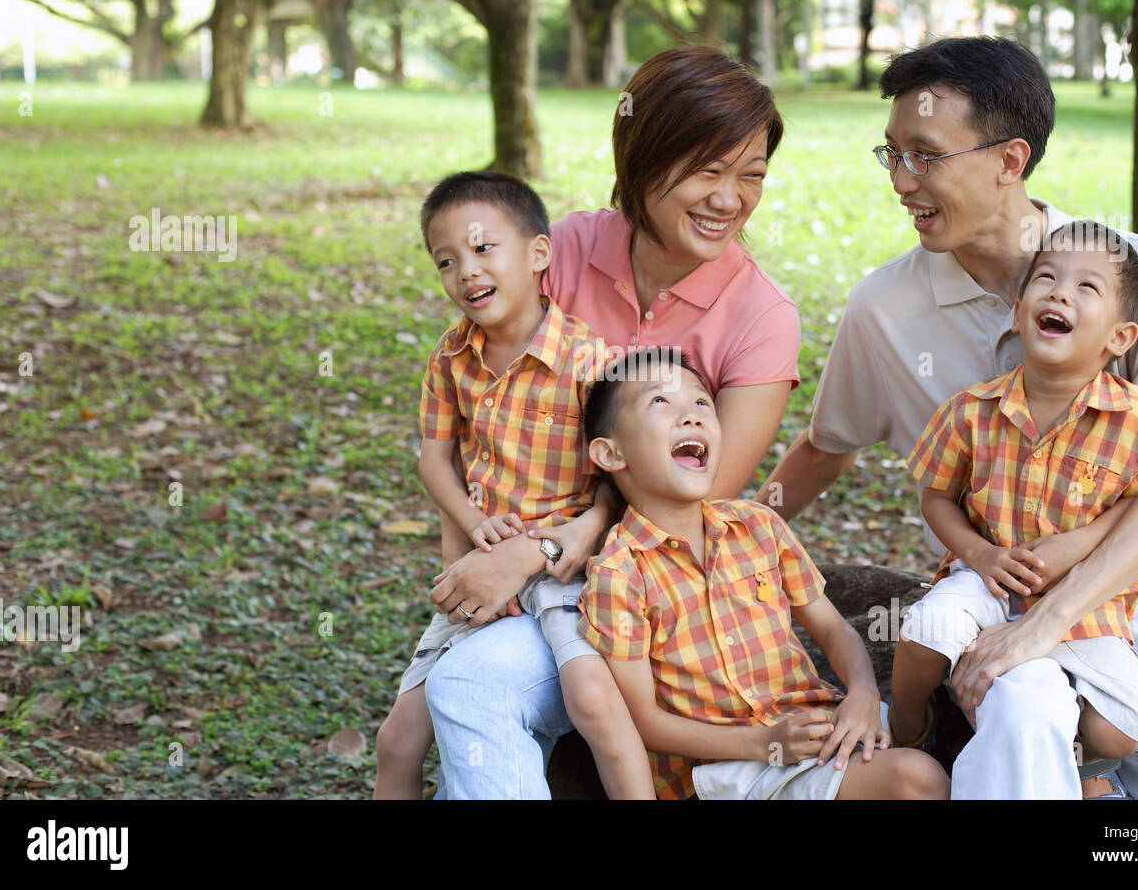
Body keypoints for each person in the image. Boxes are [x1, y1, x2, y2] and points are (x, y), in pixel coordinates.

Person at [758, 35, 1138, 799]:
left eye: (925, 155)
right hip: (990, 618)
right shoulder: (885, 309)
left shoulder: (1137, 276)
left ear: (1009, 160)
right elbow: (825, 448)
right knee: (1025, 730)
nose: (902, 181)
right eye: (892, 153)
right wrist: (721, 538)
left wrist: (1051, 617)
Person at [420, 47, 804, 798]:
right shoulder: (562, 251)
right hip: (531, 586)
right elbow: (475, 414)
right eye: (706, 169)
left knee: (469, 688)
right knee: (458, 690)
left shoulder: (763, 319)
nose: (730, 198)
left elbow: (693, 499)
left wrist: (534, 551)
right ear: (642, 156)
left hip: (659, 602)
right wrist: (472, 567)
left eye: (751, 173)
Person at [372, 171, 654, 800]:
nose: (465, 271)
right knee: (397, 742)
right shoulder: (451, 357)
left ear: (538, 255)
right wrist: (474, 537)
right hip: (486, 559)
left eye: (482, 248)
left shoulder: (590, 361)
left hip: (566, 572)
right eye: (446, 260)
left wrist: (576, 531)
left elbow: (622, 476)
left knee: (596, 705)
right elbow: (433, 461)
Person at [578, 347, 949, 800]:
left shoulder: (758, 526)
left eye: (700, 403)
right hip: (724, 770)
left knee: (932, 758)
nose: (691, 416)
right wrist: (762, 744)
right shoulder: (619, 574)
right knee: (917, 780)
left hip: (814, 733)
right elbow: (644, 721)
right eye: (661, 402)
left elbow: (832, 628)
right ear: (610, 453)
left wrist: (863, 696)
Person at [891, 227, 1138, 768]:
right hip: (987, 578)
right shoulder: (971, 410)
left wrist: (1079, 545)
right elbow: (937, 500)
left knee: (1118, 732)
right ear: (1018, 312)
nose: (1060, 293)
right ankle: (909, 724)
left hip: (1089, 598)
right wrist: (980, 555)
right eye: (1046, 277)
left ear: (1119, 337)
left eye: (1086, 287)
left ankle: (1081, 769)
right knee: (923, 634)